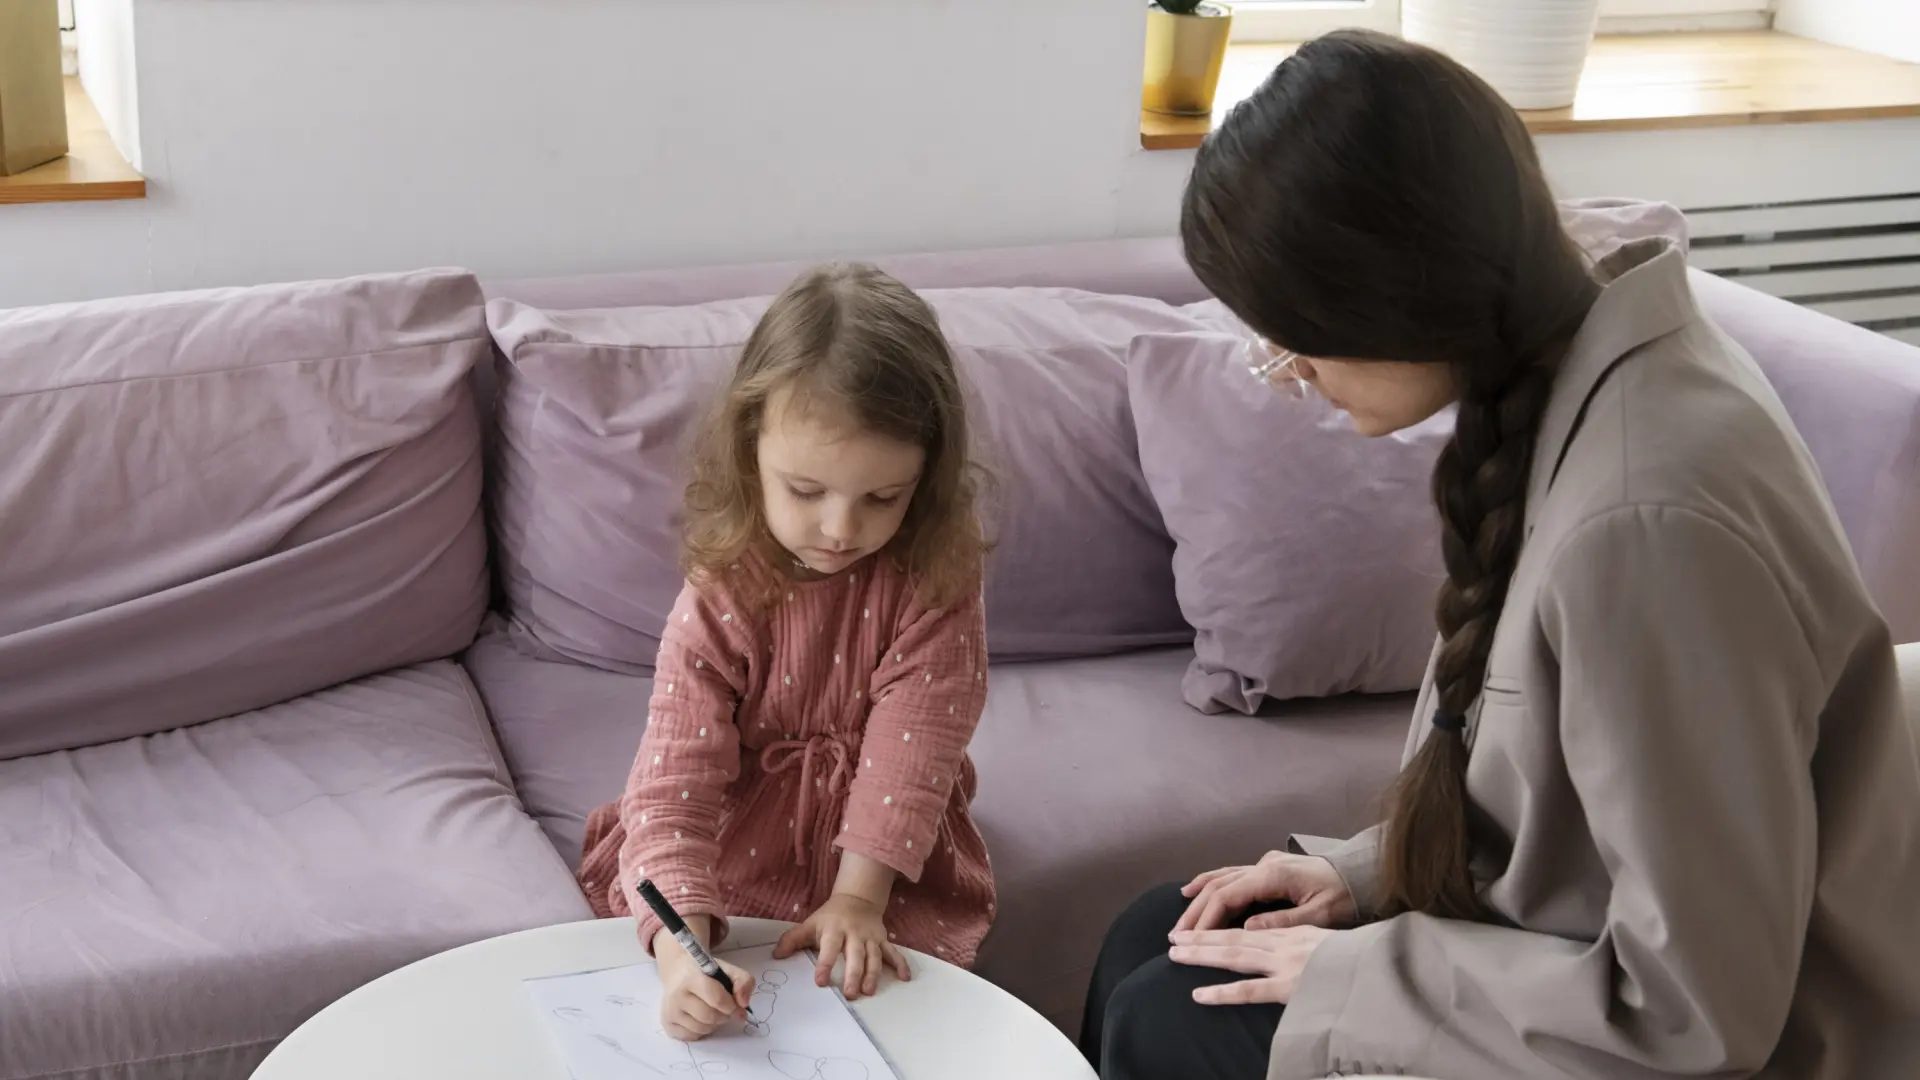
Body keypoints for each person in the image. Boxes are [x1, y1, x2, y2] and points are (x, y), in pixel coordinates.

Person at [1081, 28, 1920, 1080]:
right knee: (1156, 936)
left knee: (1175, 1019)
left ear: (1392, 292)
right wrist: (1367, 879)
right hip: (1565, 953)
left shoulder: (1645, 528)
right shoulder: (1584, 379)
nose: (1288, 372)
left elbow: (1694, 1014)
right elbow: (1561, 816)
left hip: (1701, 1036)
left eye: (1293, 333)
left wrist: (1359, 977)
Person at [576, 263, 996, 1042]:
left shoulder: (935, 575)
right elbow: (671, 787)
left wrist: (859, 899)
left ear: (925, 476)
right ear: (750, 452)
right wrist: (681, 953)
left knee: (898, 1014)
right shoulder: (724, 589)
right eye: (806, 491)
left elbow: (915, 751)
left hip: (880, 851)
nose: (840, 529)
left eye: (882, 498)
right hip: (740, 836)